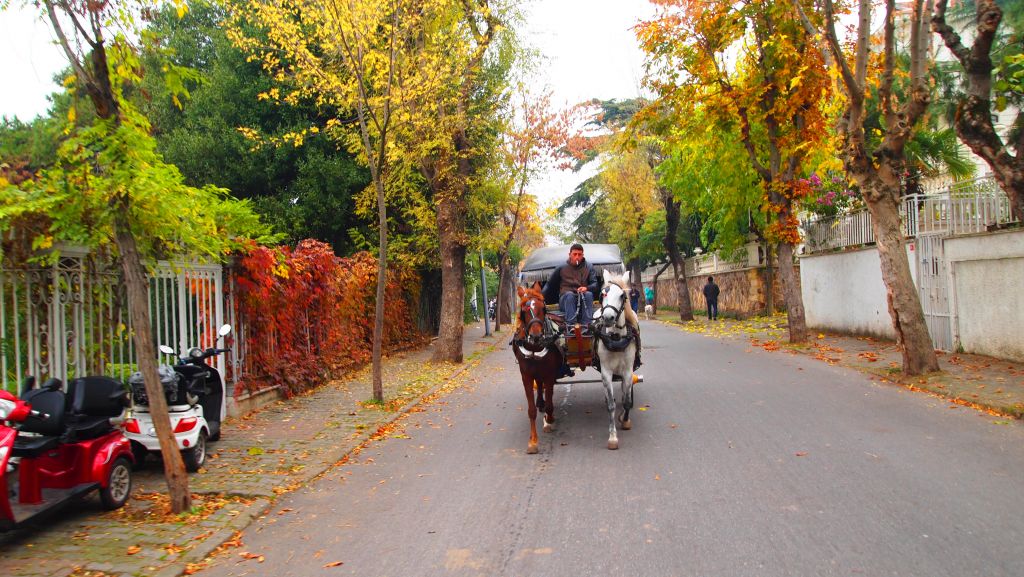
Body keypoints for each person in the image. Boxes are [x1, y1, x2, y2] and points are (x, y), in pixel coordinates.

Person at [542, 243, 598, 329]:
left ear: (583, 255)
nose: (577, 257)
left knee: (589, 294)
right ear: (569, 255)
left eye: (579, 255)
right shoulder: (561, 267)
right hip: (565, 300)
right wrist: (540, 298)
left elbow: (595, 284)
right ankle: (571, 327)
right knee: (569, 295)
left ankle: (586, 327)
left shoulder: (589, 267)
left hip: (582, 299)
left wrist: (586, 288)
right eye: (574, 254)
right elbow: (549, 285)